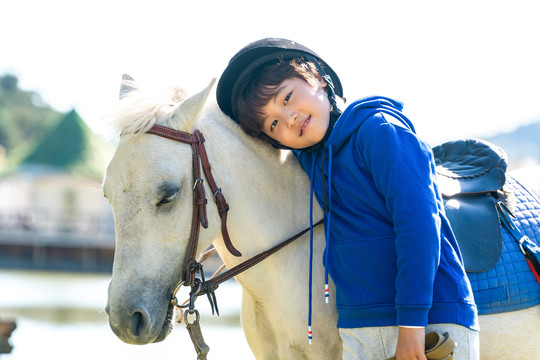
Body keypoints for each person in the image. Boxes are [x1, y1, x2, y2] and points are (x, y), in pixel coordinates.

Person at [216, 38, 479, 360]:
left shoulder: (380, 131)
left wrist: (412, 327)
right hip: (358, 325)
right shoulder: (311, 160)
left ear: (317, 78)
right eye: (272, 123)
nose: (289, 118)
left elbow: (419, 227)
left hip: (428, 323)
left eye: (286, 97)